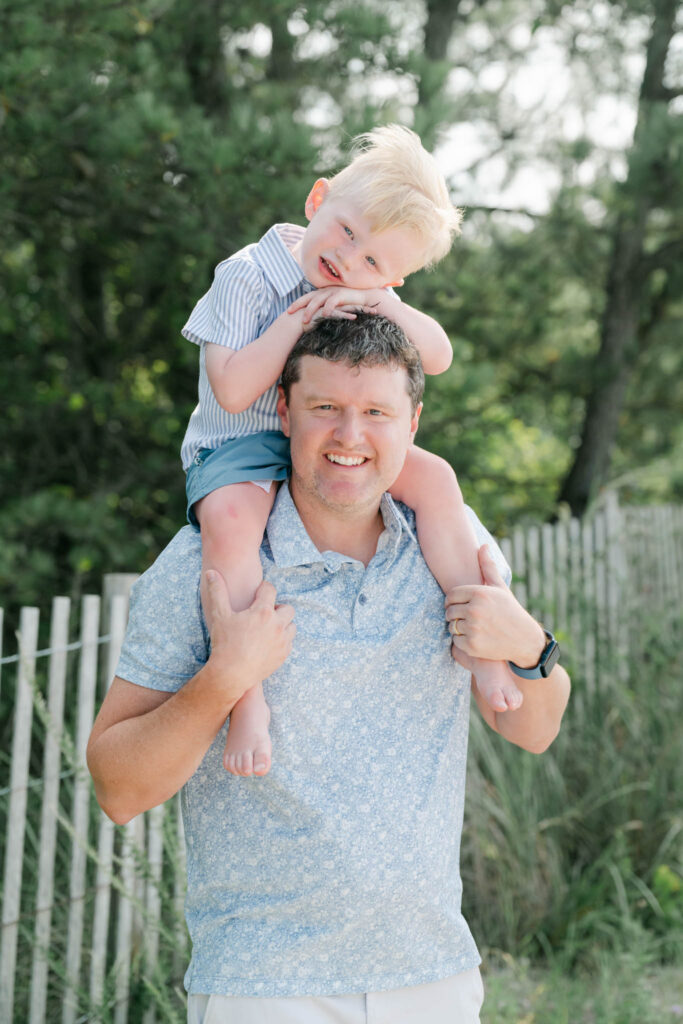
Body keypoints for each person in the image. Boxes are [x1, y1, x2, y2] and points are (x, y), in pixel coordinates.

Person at [87, 313, 570, 1024]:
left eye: (376, 412)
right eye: (324, 409)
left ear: (413, 422)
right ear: (283, 411)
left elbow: (532, 730)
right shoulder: (204, 569)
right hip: (266, 983)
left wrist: (529, 646)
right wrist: (226, 676)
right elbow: (118, 789)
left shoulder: (448, 553)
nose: (350, 436)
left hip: (431, 972)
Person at [180, 124, 522, 779]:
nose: (350, 260)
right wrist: (295, 321)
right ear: (317, 200)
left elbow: (440, 355)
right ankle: (244, 695)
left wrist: (376, 301)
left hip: (328, 441)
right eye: (346, 232)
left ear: (393, 275)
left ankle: (476, 636)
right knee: (229, 525)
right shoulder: (248, 275)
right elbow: (229, 391)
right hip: (239, 447)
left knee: (437, 479)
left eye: (375, 262)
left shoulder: (366, 285)